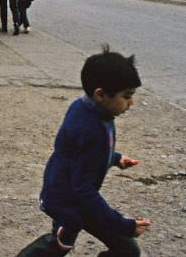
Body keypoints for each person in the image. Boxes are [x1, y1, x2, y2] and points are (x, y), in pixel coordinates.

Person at [16, 45, 151, 257]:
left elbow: (79, 152)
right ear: (100, 94)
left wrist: (115, 159)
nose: (131, 103)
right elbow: (84, 187)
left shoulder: (85, 108)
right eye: (127, 96)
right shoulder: (91, 128)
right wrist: (124, 224)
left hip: (75, 193)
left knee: (126, 248)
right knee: (61, 242)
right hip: (68, 199)